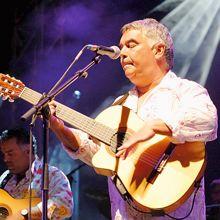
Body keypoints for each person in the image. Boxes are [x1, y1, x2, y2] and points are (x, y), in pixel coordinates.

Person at [48, 18, 218, 219]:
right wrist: (59, 128)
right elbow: (95, 154)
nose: (122, 54)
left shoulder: (185, 90)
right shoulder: (120, 105)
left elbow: (207, 120)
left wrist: (153, 127)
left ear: (158, 50)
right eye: (121, 47)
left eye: (131, 45)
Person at [0, 127, 73, 220]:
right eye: (4, 154)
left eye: (10, 154)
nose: (5, 159)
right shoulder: (4, 177)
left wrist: (25, 214)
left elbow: (64, 205)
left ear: (28, 151)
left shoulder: (52, 175)